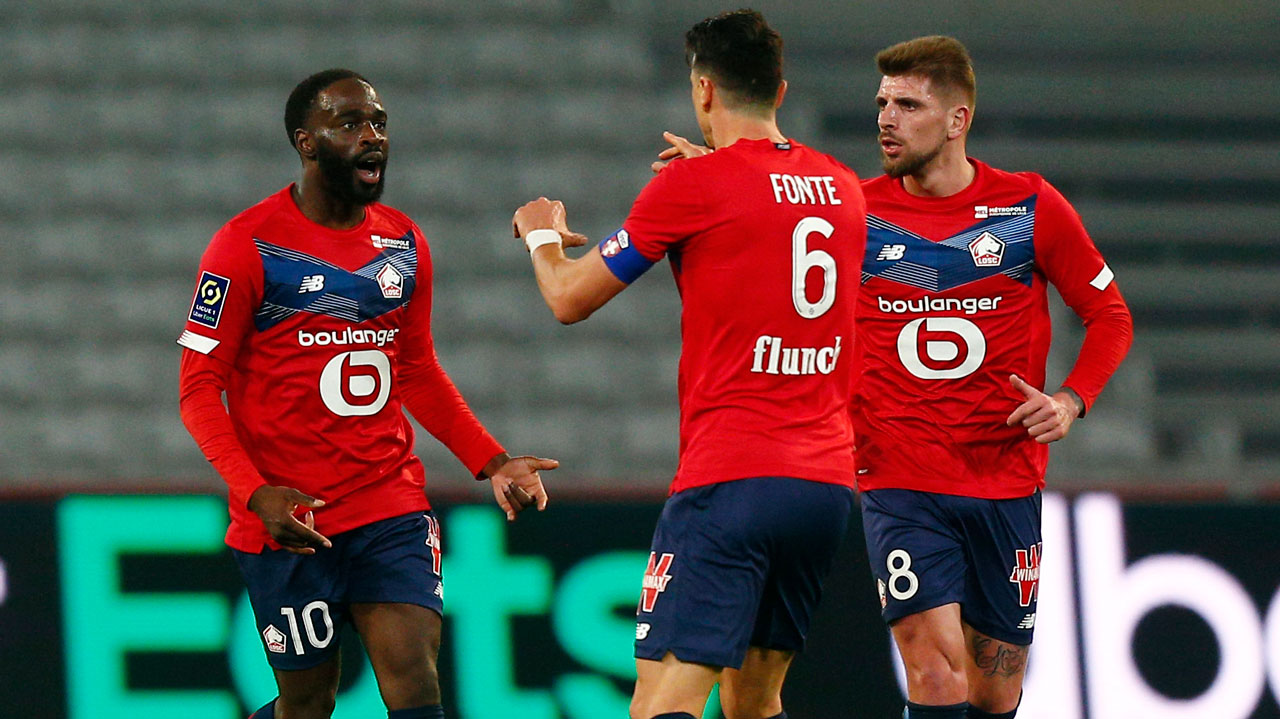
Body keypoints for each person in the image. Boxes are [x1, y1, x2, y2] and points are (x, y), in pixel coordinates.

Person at [510, 10, 866, 719]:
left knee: (661, 702)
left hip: (731, 481)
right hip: (823, 487)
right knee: (754, 701)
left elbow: (568, 297)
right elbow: (769, 218)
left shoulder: (692, 187)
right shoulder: (843, 187)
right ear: (781, 90)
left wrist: (540, 235)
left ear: (704, 91)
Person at [177, 69, 557, 719]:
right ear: (306, 142)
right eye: (348, 123)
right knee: (309, 704)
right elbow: (196, 390)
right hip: (292, 520)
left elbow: (415, 369)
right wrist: (255, 491)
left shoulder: (402, 243)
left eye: (378, 121)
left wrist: (491, 459)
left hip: (389, 504)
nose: (371, 136)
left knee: (415, 683)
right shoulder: (246, 245)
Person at [854, 37, 1134, 719]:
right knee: (935, 670)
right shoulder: (849, 212)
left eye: (909, 104)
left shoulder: (1028, 207)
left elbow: (1110, 315)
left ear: (957, 119)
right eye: (883, 102)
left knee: (994, 688)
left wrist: (1072, 400)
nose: (887, 118)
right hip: (899, 477)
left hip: (1005, 479)